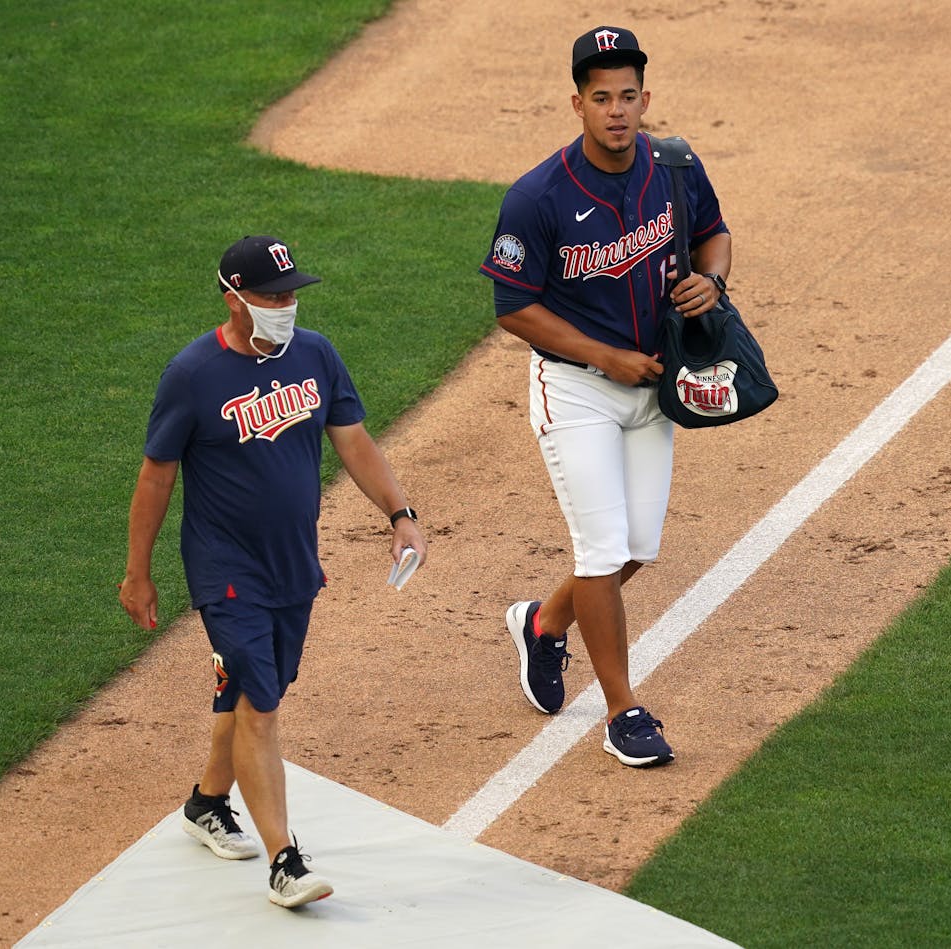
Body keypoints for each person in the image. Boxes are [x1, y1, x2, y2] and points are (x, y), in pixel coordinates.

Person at [120, 234, 427, 907]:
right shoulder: (193, 375)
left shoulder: (315, 355)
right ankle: (284, 860)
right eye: (272, 295)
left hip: (294, 563)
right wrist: (137, 572)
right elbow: (155, 475)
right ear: (234, 299)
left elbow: (354, 440)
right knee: (262, 701)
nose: (287, 306)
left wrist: (400, 511)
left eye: (291, 294)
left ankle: (206, 801)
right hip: (225, 569)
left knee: (260, 687)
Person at [479, 26, 732, 768]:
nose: (616, 110)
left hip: (652, 384)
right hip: (577, 390)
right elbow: (513, 307)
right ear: (577, 104)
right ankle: (623, 710)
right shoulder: (536, 197)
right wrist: (603, 356)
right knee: (602, 547)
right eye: (601, 98)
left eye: (627, 96)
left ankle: (544, 623)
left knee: (638, 548)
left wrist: (709, 281)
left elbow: (715, 235)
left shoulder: (675, 165)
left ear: (644, 99)